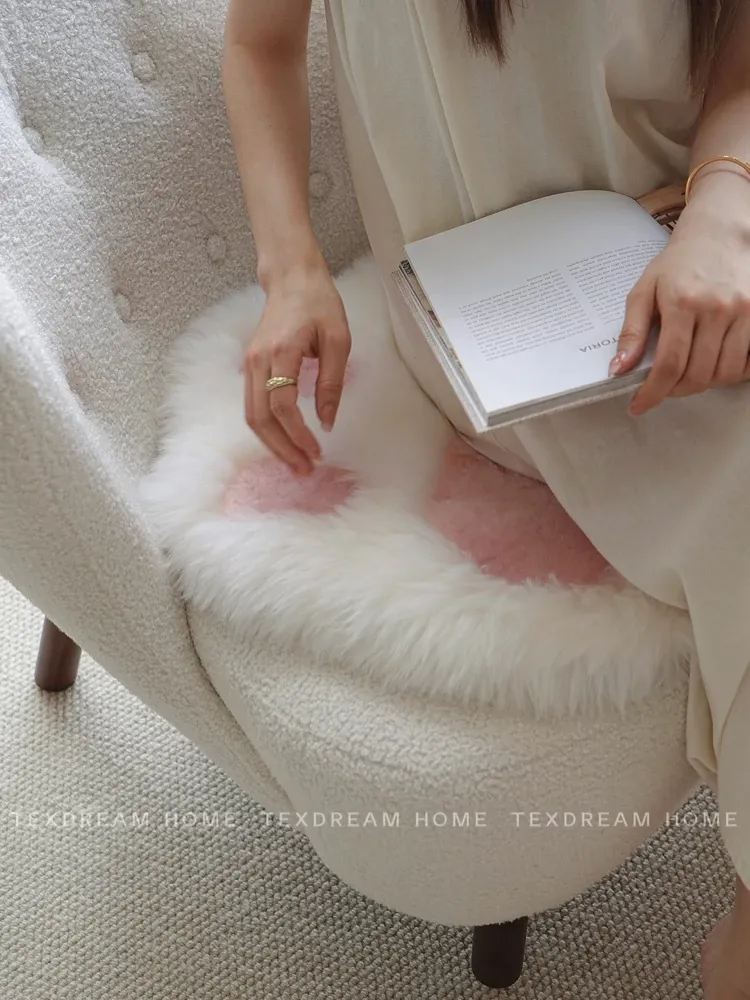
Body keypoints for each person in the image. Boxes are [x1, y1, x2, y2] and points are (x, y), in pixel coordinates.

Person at [221, 1, 750, 995]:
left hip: (702, 221)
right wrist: (291, 274)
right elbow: (260, 42)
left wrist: (725, 208)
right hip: (519, 328)